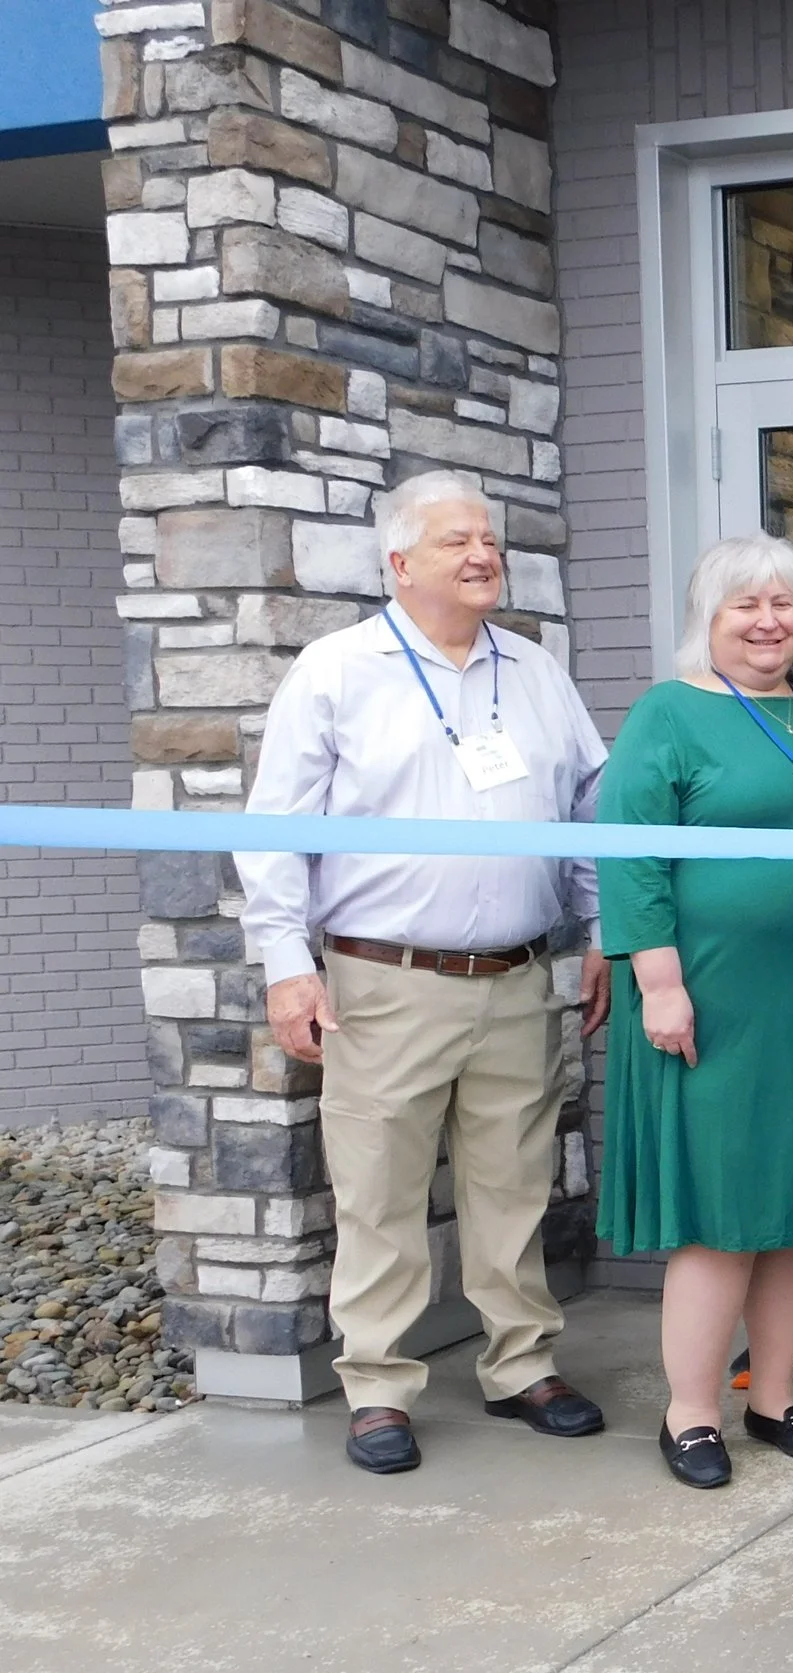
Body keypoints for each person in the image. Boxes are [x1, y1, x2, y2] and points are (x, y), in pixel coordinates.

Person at [237, 470, 611, 1475]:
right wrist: (285, 964)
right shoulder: (334, 671)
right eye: (457, 541)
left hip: (519, 974)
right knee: (380, 1192)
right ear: (399, 563)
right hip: (382, 982)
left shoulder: (533, 670)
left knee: (514, 1182)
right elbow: (273, 831)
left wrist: (600, 929)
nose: (484, 553)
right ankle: (378, 1385)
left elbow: (587, 809)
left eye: (489, 538)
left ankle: (522, 1363)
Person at [599, 534, 793, 1490]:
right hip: (714, 1000)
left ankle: (772, 1393)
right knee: (722, 1214)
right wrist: (658, 980)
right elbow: (630, 851)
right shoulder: (668, 714)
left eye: (784, 604)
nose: (769, 621)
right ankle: (690, 1411)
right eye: (745, 606)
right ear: (708, 621)